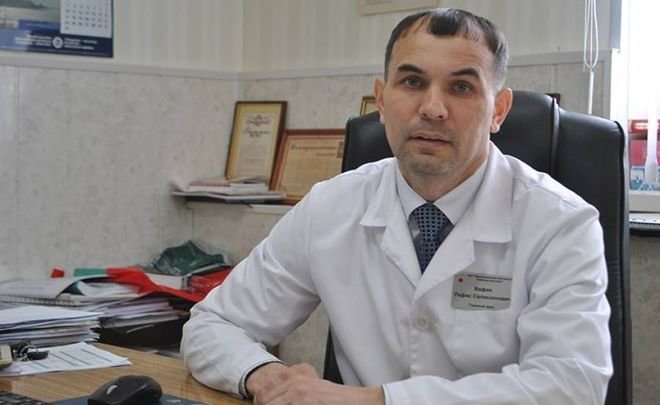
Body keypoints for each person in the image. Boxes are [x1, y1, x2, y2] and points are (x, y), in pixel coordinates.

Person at [181, 7, 612, 405]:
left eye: (461, 87)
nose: (433, 109)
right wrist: (267, 376)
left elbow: (573, 384)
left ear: (498, 110)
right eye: (412, 82)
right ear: (382, 101)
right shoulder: (330, 206)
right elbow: (212, 325)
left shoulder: (561, 223)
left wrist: (376, 400)